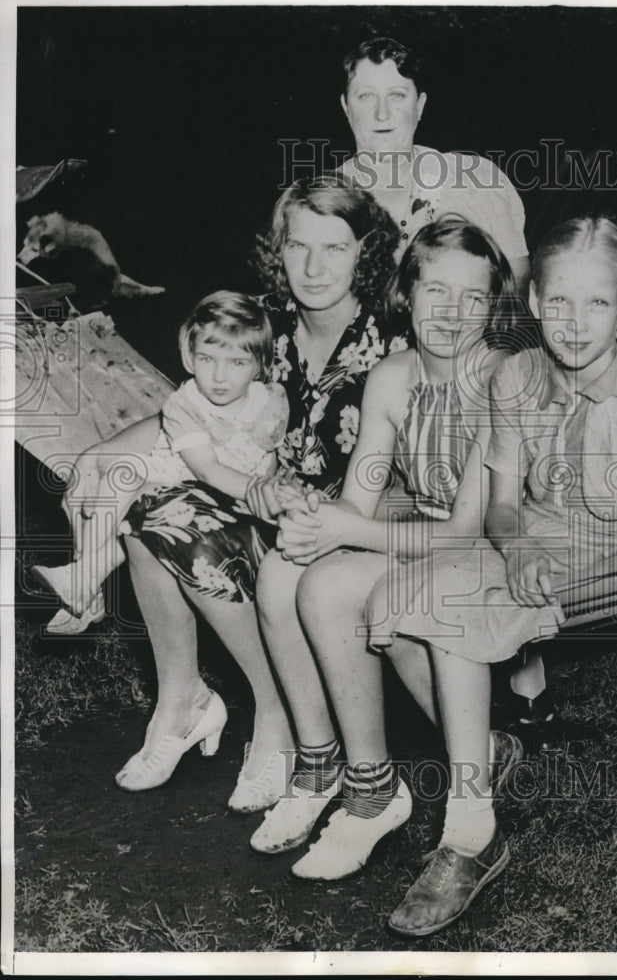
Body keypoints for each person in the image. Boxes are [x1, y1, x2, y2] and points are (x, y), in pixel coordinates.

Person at [274, 214, 617, 937]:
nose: (574, 322)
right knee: (389, 592)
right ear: (531, 304)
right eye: (557, 301)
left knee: (443, 600)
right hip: (529, 548)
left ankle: (468, 836)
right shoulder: (518, 376)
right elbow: (500, 507)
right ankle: (425, 776)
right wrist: (517, 546)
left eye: (596, 304)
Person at [61, 175, 405, 804]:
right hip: (258, 500)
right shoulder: (261, 321)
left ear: (365, 250)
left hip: (347, 524)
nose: (314, 266)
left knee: (176, 532)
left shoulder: (393, 335)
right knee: (146, 514)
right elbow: (194, 412)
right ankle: (180, 703)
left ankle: (274, 712)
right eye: (298, 246)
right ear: (279, 248)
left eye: (335, 248)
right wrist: (106, 453)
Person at [253, 217, 528, 904]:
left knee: (348, 586)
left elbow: (468, 533)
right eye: (435, 290)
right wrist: (317, 523)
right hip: (423, 534)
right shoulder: (392, 376)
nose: (450, 312)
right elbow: (362, 500)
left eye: (472, 297)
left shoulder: (500, 381)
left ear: (493, 306)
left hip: (494, 549)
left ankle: (423, 801)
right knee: (304, 578)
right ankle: (364, 782)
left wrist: (344, 530)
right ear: (407, 292)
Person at [34, 291, 291, 636]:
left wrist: (266, 490)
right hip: (181, 479)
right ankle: (85, 577)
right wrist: (255, 486)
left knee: (128, 493)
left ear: (260, 365)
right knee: (120, 477)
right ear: (188, 356)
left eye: (237, 363)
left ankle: (85, 585)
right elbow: (204, 469)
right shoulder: (185, 405)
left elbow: (270, 453)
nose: (219, 376)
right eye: (207, 358)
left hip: (229, 504)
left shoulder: (267, 402)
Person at [336, 36, 530, 290]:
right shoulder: (322, 200)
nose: (381, 114)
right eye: (366, 96)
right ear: (346, 107)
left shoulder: (474, 181)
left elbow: (516, 287)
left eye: (397, 95)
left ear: (420, 105)